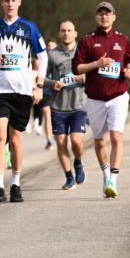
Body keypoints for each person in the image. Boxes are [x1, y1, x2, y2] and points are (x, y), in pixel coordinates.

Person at [0, 0, 48, 204]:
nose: (9, 4)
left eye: (13, 0)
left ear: (19, 3)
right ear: (2, 3)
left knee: (16, 138)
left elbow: (43, 56)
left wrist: (39, 85)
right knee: (0, 134)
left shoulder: (29, 27)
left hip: (23, 90)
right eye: (6, 0)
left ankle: (16, 184)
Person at [74, 2, 130, 199]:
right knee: (100, 141)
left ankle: (113, 181)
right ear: (96, 17)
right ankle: (106, 174)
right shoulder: (87, 41)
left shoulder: (122, 39)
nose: (104, 17)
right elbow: (77, 68)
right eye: (100, 14)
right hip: (94, 98)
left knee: (116, 137)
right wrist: (97, 64)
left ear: (114, 17)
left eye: (107, 14)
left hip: (118, 95)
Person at [46, 20, 88, 190]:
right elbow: (43, 77)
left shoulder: (84, 52)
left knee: (76, 142)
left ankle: (78, 162)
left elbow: (95, 74)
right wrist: (52, 83)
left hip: (79, 105)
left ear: (75, 33)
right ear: (59, 33)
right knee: (61, 143)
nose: (66, 33)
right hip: (58, 106)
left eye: (69, 30)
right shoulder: (52, 54)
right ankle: (69, 177)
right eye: (63, 30)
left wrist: (82, 78)